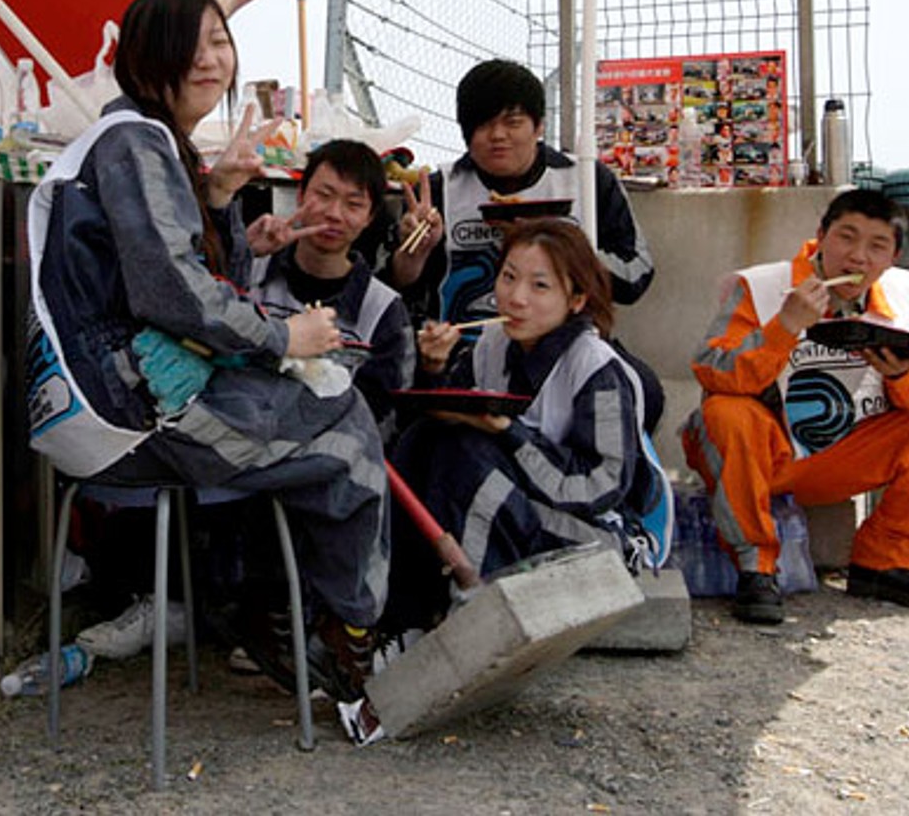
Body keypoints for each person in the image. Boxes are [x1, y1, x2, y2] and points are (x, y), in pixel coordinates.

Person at [24, 0, 389, 706]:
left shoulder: (136, 140)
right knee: (346, 431)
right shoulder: (136, 142)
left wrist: (218, 201)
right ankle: (342, 635)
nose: (209, 60)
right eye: (187, 45)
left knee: (309, 422)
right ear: (141, 59)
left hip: (88, 402)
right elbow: (173, 294)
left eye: (219, 41)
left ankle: (282, 615)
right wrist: (285, 335)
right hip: (126, 411)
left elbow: (168, 278)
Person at [681, 188, 909, 625]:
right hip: (766, 454)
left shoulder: (899, 294)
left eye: (877, 246)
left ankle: (889, 564)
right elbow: (713, 369)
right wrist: (783, 327)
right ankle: (756, 569)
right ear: (821, 236)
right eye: (846, 237)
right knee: (725, 413)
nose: (857, 257)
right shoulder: (762, 287)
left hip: (844, 454)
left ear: (893, 258)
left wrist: (903, 376)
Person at [389, 219, 671, 631]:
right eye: (508, 277)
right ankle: (401, 617)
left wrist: (509, 433)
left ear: (576, 299)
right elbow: (445, 415)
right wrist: (433, 368)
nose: (516, 298)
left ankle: (473, 616)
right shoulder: (492, 345)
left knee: (472, 464)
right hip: (519, 508)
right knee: (427, 441)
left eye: (540, 286)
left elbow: (600, 486)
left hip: (595, 534)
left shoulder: (596, 369)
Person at [384, 58, 664, 430]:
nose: (498, 135)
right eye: (483, 124)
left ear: (539, 125)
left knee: (645, 392)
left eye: (513, 122)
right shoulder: (438, 190)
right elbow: (394, 289)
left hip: (565, 345)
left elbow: (637, 275)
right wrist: (413, 254)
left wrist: (562, 247)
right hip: (461, 348)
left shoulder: (584, 179)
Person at [247, 139, 415, 435]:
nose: (334, 214)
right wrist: (241, 253)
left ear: (370, 216)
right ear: (300, 195)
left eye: (354, 204)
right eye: (324, 195)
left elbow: (383, 418)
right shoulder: (250, 276)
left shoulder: (383, 310)